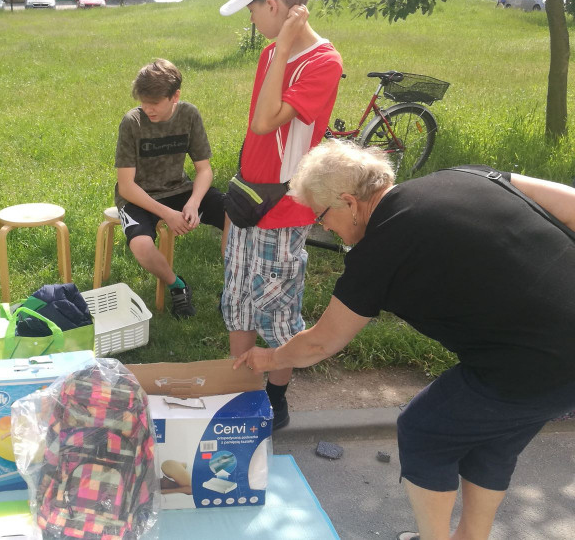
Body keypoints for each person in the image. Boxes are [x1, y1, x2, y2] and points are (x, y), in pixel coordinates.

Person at [233, 141, 575, 540]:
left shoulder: (380, 250)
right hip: (549, 358)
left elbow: (319, 344)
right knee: (492, 441)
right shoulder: (466, 174)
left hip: (537, 363)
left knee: (424, 431)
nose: (321, 227)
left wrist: (268, 358)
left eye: (321, 216)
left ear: (350, 202)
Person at [218, 0, 343, 429]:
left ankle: (276, 399)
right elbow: (256, 139)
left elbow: (266, 121)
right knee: (238, 302)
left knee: (278, 313)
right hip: (249, 200)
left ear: (273, 5)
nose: (251, 18)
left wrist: (286, 44)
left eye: (253, 7)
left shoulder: (323, 62)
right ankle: (242, 391)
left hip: (285, 211)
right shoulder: (271, 54)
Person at [114, 58, 228, 318]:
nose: (148, 109)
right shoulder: (132, 122)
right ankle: (178, 286)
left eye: (154, 103)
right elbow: (126, 186)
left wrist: (194, 202)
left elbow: (204, 170)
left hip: (180, 189)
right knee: (141, 245)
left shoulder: (189, 114)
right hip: (139, 197)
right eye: (144, 102)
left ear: (175, 96)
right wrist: (167, 214)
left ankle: (232, 288)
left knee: (234, 213)